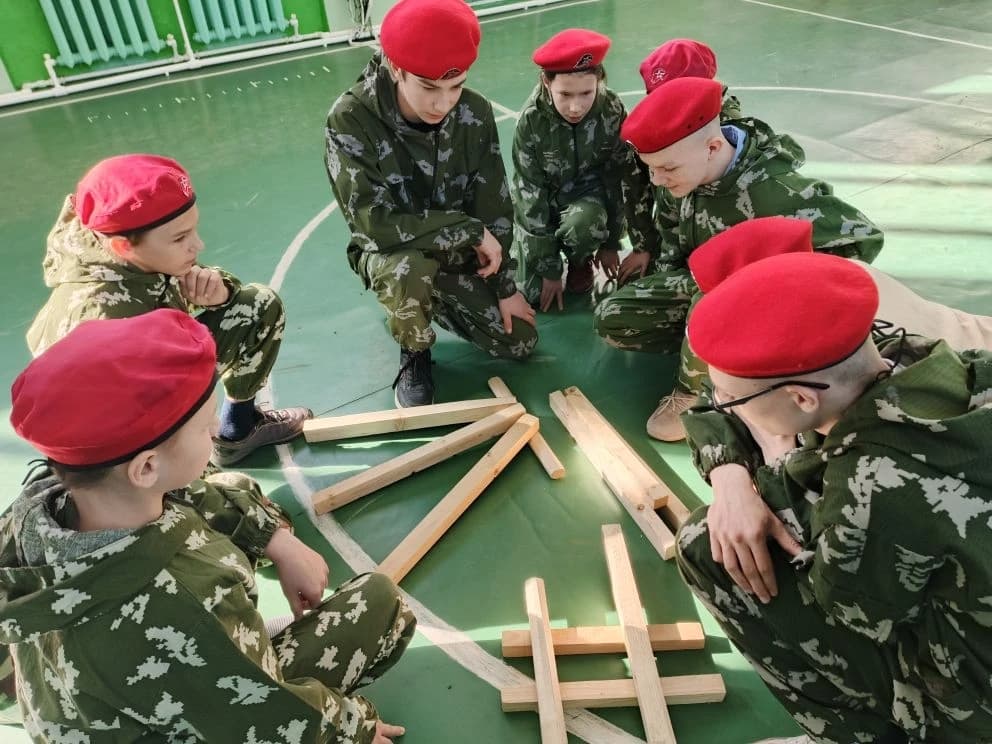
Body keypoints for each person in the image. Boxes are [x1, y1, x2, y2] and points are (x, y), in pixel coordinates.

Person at [3, 309, 415, 743]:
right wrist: (355, 729)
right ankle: (229, 650)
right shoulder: (177, 600)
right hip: (203, 698)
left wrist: (274, 539)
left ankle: (231, 649)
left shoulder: (42, 508)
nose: (216, 431)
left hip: (101, 708)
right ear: (146, 468)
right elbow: (263, 719)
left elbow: (195, 492)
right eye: (205, 427)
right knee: (381, 606)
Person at [675, 249, 992, 743]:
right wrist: (736, 474)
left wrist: (777, 472)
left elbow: (853, 608)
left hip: (977, 699)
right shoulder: (916, 357)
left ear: (803, 398)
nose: (724, 406)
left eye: (733, 401)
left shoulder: (870, 489)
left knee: (708, 545)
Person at [595, 76, 884, 442]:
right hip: (703, 282)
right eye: (651, 168)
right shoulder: (680, 176)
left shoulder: (778, 193)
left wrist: (783, 281)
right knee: (613, 318)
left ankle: (698, 392)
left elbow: (862, 235)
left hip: (761, 301)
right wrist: (666, 275)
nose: (657, 179)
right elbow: (672, 236)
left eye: (667, 169)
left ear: (713, 147)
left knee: (708, 301)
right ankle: (714, 356)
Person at [26, 154, 312, 466]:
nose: (198, 245)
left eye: (193, 230)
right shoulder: (98, 321)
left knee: (257, 306)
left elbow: (175, 284)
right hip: (121, 445)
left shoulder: (136, 253)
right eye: (180, 238)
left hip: (154, 375)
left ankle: (237, 431)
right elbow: (106, 432)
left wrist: (219, 292)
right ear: (123, 246)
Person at [324, 0, 537, 408]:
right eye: (428, 88)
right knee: (409, 269)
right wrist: (469, 230)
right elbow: (375, 224)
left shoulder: (473, 112)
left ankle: (432, 298)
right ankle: (415, 350)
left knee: (519, 342)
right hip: (392, 252)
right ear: (394, 68)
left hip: (455, 252)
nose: (443, 104)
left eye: (455, 87)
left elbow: (494, 205)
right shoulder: (350, 119)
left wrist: (504, 285)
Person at [510, 28, 653, 312]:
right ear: (545, 82)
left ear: (600, 80)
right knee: (535, 297)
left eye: (586, 93)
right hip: (543, 207)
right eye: (564, 94)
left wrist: (612, 241)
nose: (575, 107)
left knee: (584, 223)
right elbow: (530, 199)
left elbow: (620, 180)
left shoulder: (611, 109)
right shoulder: (531, 121)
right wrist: (549, 270)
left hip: (585, 205)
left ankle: (579, 261)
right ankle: (550, 262)